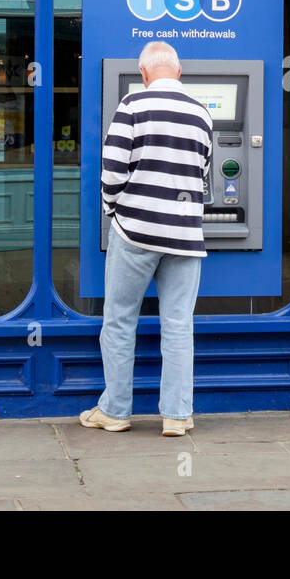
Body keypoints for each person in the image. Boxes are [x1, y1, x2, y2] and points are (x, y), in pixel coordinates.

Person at [80, 41, 212, 437]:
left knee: (120, 320)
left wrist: (113, 211)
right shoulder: (202, 112)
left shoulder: (132, 106)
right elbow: (203, 177)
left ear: (142, 72)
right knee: (178, 324)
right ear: (179, 71)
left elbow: (113, 170)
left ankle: (116, 411)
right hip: (186, 234)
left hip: (136, 231)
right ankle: (176, 414)